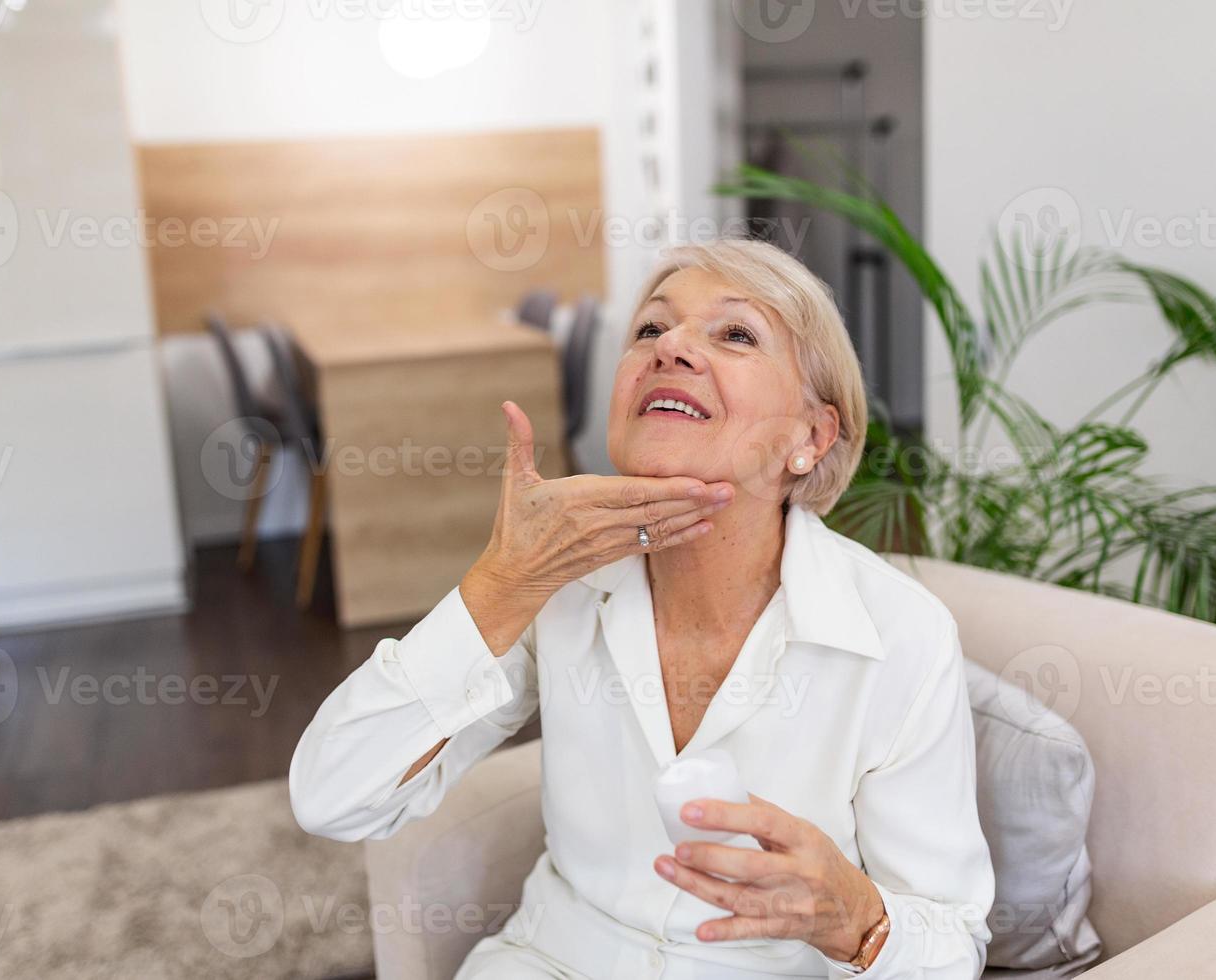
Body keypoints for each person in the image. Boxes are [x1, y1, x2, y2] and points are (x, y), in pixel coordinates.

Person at [290, 239, 994, 978]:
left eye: (735, 334)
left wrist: (860, 924)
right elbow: (334, 798)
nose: (672, 348)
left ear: (811, 437)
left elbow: (952, 943)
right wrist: (500, 583)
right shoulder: (558, 584)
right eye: (652, 330)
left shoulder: (900, 637)